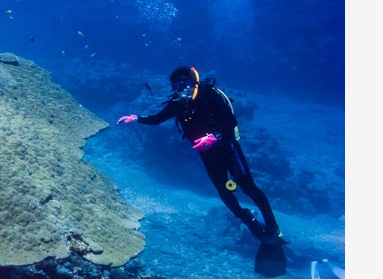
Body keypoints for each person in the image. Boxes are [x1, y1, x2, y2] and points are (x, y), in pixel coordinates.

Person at [117, 65, 284, 246]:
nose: (182, 88)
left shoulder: (209, 96)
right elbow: (157, 118)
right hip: (208, 154)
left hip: (228, 148)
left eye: (186, 83)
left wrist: (214, 136)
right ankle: (251, 223)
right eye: (177, 85)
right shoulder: (178, 104)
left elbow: (230, 120)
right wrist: (136, 118)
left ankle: (273, 227)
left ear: (194, 83)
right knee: (225, 194)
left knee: (249, 188)